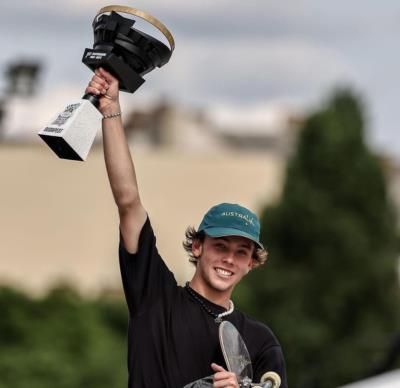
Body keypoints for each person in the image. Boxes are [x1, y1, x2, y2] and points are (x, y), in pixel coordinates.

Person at [86, 68, 288, 388]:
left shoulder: (260, 341)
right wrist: (110, 110)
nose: (229, 259)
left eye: (241, 252)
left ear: (251, 263)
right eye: (220, 246)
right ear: (198, 247)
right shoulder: (155, 297)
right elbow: (128, 200)